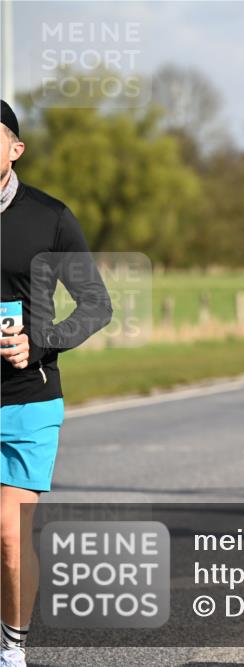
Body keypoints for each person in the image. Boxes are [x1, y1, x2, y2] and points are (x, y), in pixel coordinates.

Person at [1, 100, 113, 667]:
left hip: (26, 400)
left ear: (15, 149)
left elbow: (96, 305)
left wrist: (38, 345)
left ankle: (11, 648)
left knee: (11, 539)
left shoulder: (49, 217)